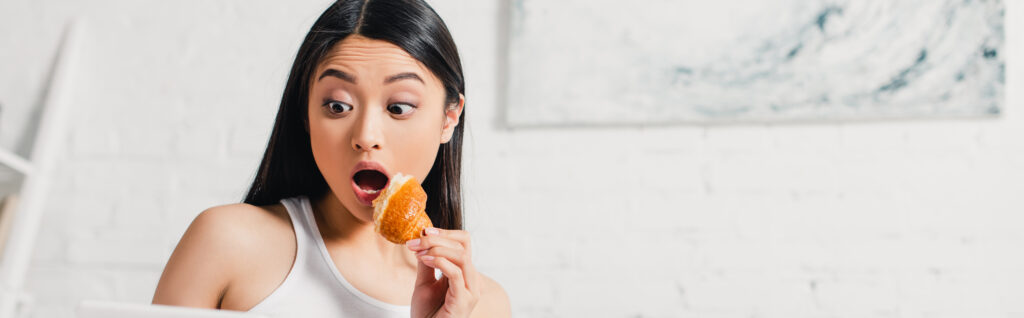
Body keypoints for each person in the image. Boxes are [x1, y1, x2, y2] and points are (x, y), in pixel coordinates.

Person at [151, 1, 510, 316]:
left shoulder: (481, 305)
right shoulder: (227, 242)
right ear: (306, 114)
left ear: (449, 118)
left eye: (398, 107)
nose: (366, 135)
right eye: (338, 106)